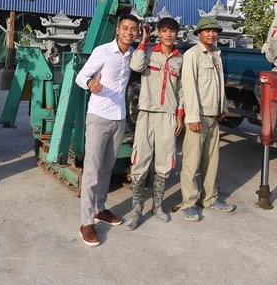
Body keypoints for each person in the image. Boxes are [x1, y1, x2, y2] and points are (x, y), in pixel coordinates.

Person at [74, 13, 140, 247]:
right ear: (118, 30)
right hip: (98, 118)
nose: (129, 32)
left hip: (119, 118)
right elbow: (81, 76)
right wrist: (91, 83)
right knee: (92, 170)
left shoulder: (133, 54)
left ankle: (100, 209)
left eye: (133, 29)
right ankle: (85, 222)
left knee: (106, 169)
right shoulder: (102, 51)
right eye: (125, 28)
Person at [125, 17, 185, 230]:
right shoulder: (149, 52)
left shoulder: (180, 59)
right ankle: (136, 211)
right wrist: (143, 39)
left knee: (164, 162)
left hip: (168, 116)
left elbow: (181, 90)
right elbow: (135, 65)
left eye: (172, 31)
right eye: (164, 31)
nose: (168, 35)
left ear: (177, 33)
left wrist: (179, 115)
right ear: (158, 33)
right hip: (147, 114)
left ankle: (157, 207)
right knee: (140, 160)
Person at [179, 16, 235, 222]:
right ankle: (189, 203)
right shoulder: (193, 55)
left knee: (211, 161)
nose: (212, 34)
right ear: (199, 34)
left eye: (215, 31)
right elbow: (189, 86)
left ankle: (210, 198)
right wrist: (192, 116)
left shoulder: (216, 55)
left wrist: (223, 107)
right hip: (198, 115)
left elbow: (220, 83)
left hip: (213, 115)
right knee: (192, 162)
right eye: (207, 31)